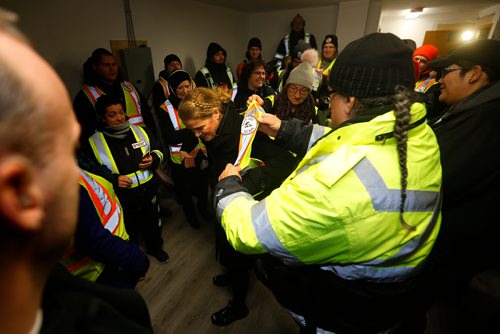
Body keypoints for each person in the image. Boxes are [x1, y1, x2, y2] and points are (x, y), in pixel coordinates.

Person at [213, 32, 442, 333]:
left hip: (344, 314)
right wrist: (283, 128)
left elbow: (249, 232)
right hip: (391, 302)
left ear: (349, 100)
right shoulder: (418, 135)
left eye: (331, 93)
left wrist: (229, 188)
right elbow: (352, 142)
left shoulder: (337, 185)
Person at [0, 10, 153, 333]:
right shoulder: (106, 319)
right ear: (18, 190)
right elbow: (91, 237)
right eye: (60, 138)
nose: (76, 149)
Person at [178, 87, 298, 327]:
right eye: (192, 130)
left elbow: (285, 163)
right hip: (223, 194)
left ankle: (239, 304)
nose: (197, 135)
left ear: (215, 113)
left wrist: (241, 184)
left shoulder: (245, 131)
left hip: (241, 199)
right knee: (226, 246)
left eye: (199, 128)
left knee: (237, 250)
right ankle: (233, 275)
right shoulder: (218, 124)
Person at [415, 38, 500, 332]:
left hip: (454, 254)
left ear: (474, 73)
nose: (439, 80)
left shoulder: (484, 120)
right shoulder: (466, 110)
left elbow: (434, 177)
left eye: (447, 71)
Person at [86, 95, 169, 263]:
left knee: (153, 223)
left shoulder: (140, 130)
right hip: (121, 196)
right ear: (102, 117)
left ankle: (155, 248)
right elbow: (91, 173)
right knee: (128, 228)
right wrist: (114, 179)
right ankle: (133, 256)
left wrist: (154, 158)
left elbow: (159, 150)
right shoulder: (93, 142)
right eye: (112, 114)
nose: (119, 117)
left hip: (148, 190)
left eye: (121, 112)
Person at [60, 167, 150, 289]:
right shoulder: (57, 184)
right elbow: (91, 240)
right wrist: (135, 258)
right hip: (100, 269)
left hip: (115, 248)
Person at [156, 69, 209, 229]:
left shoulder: (196, 102)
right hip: (180, 157)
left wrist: (186, 133)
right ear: (172, 88)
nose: (185, 91)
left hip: (199, 153)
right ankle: (191, 217)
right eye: (180, 87)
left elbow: (205, 127)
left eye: (187, 86)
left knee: (202, 186)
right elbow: (170, 137)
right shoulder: (164, 108)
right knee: (185, 192)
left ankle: (203, 209)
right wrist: (194, 131)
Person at [73, 48, 155, 143]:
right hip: (111, 147)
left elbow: (148, 116)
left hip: (141, 142)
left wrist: (154, 141)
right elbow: (83, 132)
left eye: (114, 64)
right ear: (95, 67)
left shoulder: (129, 87)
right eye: (106, 65)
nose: (112, 69)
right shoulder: (86, 95)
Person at [252, 57, 318, 123]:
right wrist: (255, 105)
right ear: (286, 87)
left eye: (303, 91)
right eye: (293, 88)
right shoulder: (273, 101)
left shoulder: (312, 110)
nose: (297, 96)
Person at [413, 44, 446, 119]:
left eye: (423, 61)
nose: (418, 62)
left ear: (429, 64)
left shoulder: (434, 82)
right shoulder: (403, 75)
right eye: (416, 59)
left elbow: (430, 110)